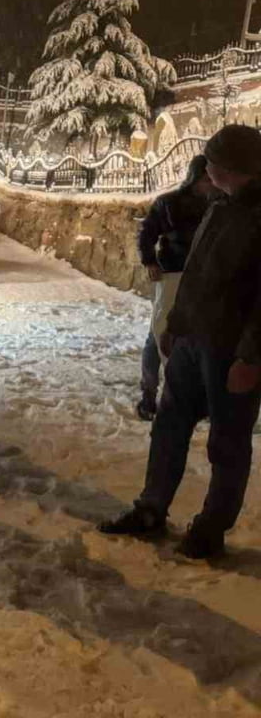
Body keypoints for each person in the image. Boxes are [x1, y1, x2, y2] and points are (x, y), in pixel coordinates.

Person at [99, 124, 261, 559]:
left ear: (238, 169)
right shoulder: (219, 206)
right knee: (168, 425)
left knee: (227, 441)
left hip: (230, 350)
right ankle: (152, 508)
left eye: (214, 162)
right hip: (191, 338)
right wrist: (174, 323)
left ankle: (211, 528)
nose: (206, 168)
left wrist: (251, 357)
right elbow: (193, 273)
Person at [134, 155, 216, 420]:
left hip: (202, 278)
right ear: (194, 178)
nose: (209, 184)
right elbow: (147, 233)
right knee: (159, 332)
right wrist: (149, 261)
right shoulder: (169, 203)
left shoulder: (218, 205)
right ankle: (149, 393)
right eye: (205, 180)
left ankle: (189, 394)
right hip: (172, 274)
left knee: (196, 336)